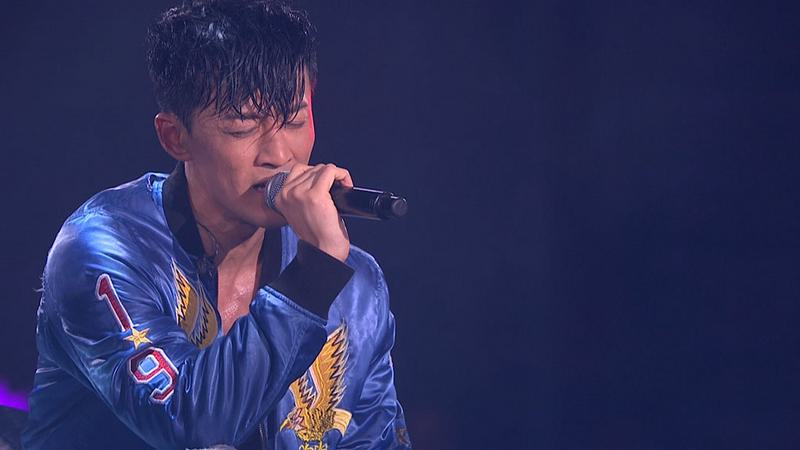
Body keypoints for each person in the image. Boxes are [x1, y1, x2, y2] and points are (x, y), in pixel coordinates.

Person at [21, 1, 411, 449]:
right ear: (175, 137)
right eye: (242, 127)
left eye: (294, 120)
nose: (279, 155)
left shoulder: (356, 288)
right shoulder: (104, 250)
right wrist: (313, 277)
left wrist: (323, 272)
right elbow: (191, 422)